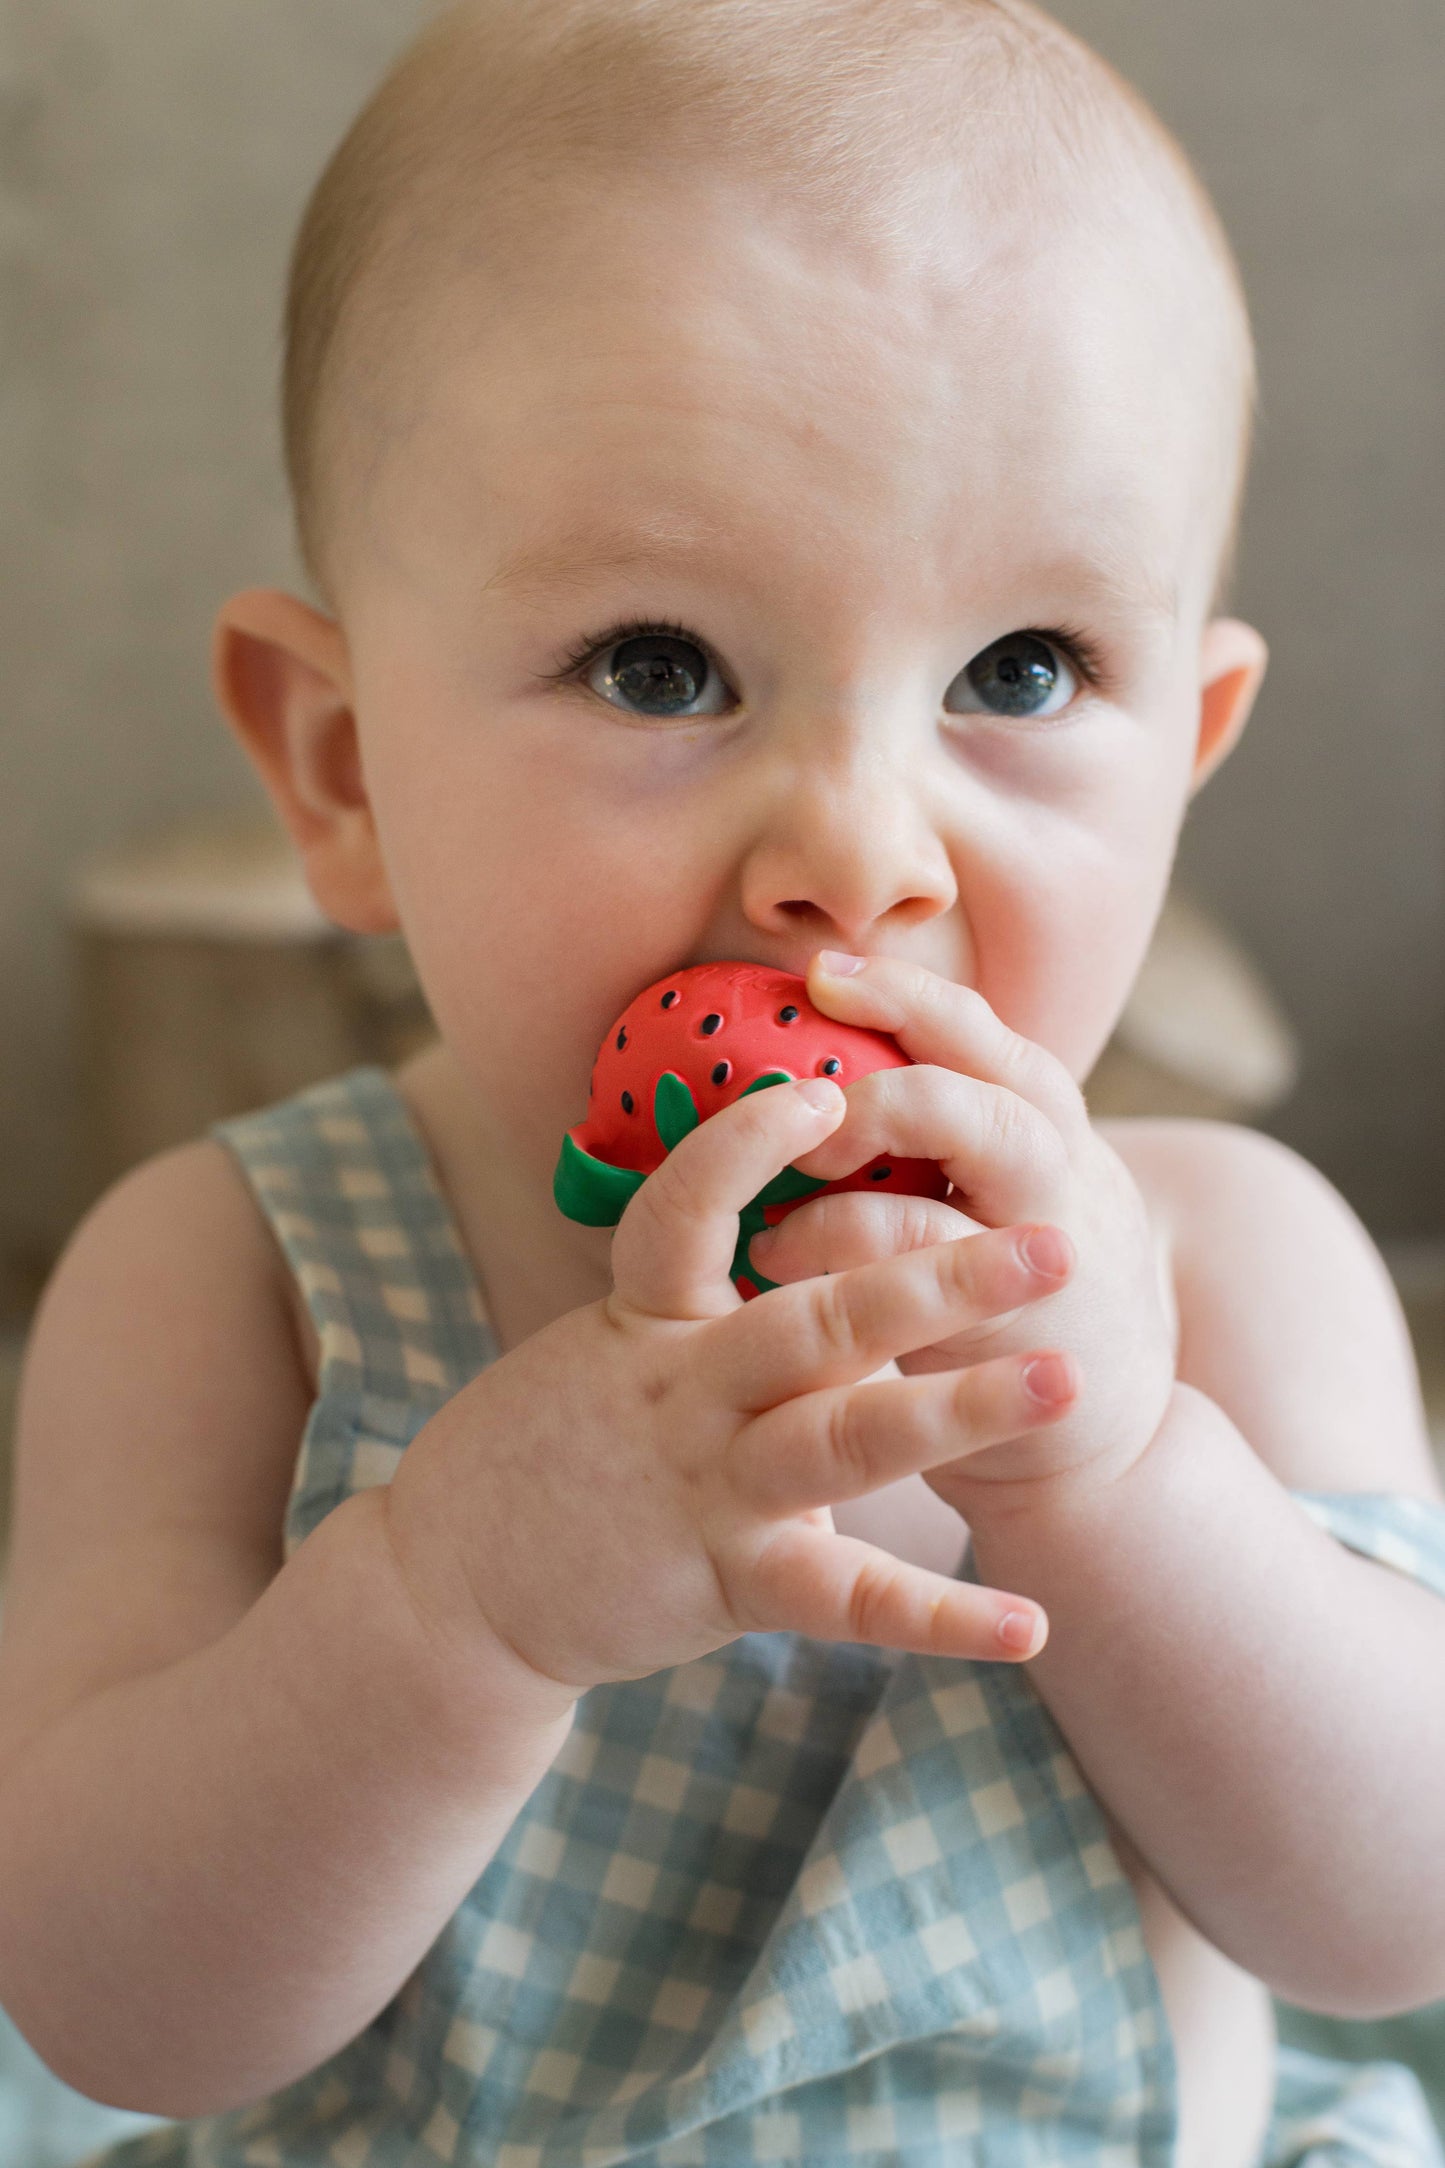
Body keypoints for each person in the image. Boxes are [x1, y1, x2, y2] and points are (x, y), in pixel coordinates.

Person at [3, 0, 1444, 2160]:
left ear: (1187, 758)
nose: (862, 857)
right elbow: (103, 2001)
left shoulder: (1227, 1263)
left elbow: (1393, 1922)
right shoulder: (233, 1276)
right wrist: (450, 1613)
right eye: (662, 666)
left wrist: (1130, 1478)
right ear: (342, 768)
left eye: (1021, 673)